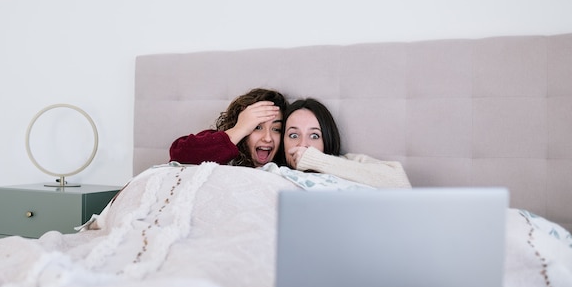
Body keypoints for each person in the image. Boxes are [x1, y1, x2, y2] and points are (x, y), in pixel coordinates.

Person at [281, 98, 411, 188]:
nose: (303, 144)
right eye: (293, 135)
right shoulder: (273, 171)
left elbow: (400, 183)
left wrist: (316, 160)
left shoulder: (346, 162)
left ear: (327, 139)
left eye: (314, 136)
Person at [169, 88, 288, 167]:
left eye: (276, 129)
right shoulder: (216, 141)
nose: (268, 138)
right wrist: (239, 129)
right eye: (257, 127)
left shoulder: (284, 164)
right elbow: (178, 157)